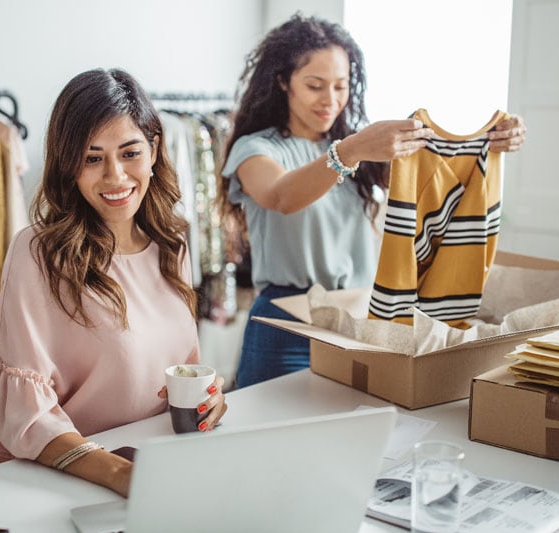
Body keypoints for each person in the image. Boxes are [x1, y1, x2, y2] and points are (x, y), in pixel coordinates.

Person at [218, 14, 527, 388]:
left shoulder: (360, 149)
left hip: (358, 319)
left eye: (340, 86)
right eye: (315, 85)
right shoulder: (257, 148)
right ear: (284, 82)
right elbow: (281, 196)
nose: (330, 100)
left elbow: (435, 174)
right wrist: (350, 151)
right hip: (286, 326)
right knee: (268, 436)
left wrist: (490, 140)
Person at [0, 68, 227, 497]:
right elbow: (26, 415)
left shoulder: (171, 242)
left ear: (154, 149)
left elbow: (180, 370)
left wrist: (209, 399)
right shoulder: (38, 254)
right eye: (92, 158)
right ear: (69, 165)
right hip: (74, 481)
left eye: (130, 153)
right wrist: (121, 475)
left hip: (164, 466)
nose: (115, 177)